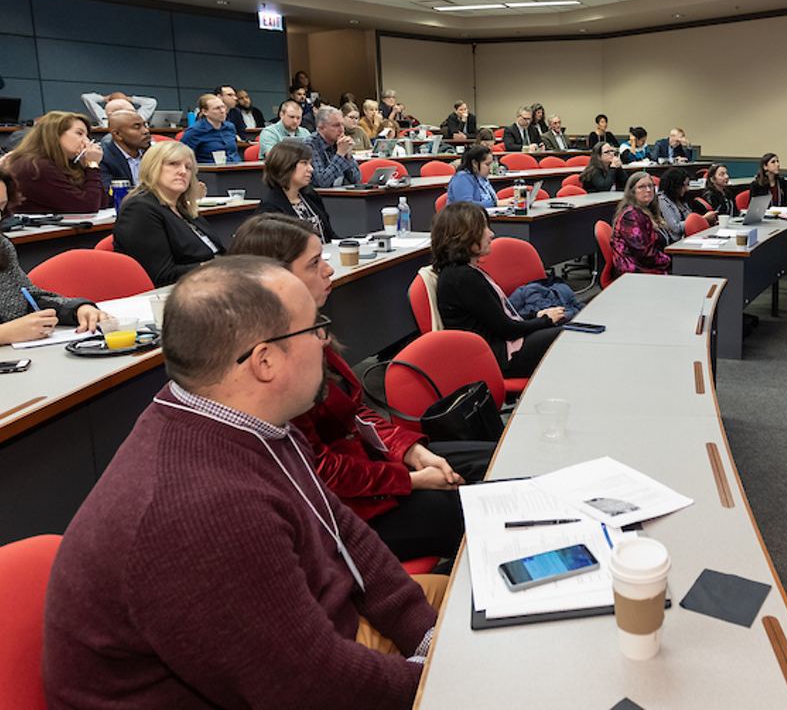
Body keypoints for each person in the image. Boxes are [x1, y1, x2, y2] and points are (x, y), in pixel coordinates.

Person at [42, 255, 441, 709]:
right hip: (300, 682)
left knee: (475, 612)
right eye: (314, 328)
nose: (325, 339)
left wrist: (425, 637)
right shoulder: (201, 509)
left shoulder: (256, 423)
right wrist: (442, 680)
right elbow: (310, 687)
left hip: (312, 647)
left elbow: (342, 532)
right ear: (265, 361)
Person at [228, 213, 494, 560]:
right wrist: (409, 479)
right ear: (275, 278)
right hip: (337, 512)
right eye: (314, 263)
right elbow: (318, 471)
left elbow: (357, 415)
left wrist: (414, 453)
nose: (328, 270)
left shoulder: (306, 328)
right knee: (475, 509)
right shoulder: (268, 363)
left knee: (492, 462)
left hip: (369, 466)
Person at [433, 201, 564, 377]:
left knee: (565, 325)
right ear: (465, 237)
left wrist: (536, 316)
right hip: (499, 357)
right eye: (484, 229)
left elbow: (497, 319)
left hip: (499, 346)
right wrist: (545, 320)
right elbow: (507, 329)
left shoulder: (462, 272)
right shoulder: (463, 278)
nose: (491, 234)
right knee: (567, 335)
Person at [0, 168, 108, 345]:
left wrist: (76, 309)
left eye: (1, 208)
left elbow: (28, 297)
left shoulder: (1, 245)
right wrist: (3, 333)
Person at [113, 141, 225, 286]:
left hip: (210, 283)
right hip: (179, 293)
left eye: (188, 167)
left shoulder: (181, 207)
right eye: (173, 164)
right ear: (152, 167)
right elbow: (161, 275)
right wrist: (216, 268)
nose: (183, 171)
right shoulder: (139, 210)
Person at [6, 111, 104, 214]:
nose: (87, 141)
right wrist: (92, 166)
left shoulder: (68, 163)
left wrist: (87, 168)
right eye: (79, 133)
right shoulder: (36, 166)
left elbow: (102, 202)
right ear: (55, 134)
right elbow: (88, 206)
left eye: (87, 135)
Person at [253, 140, 338, 243]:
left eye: (310, 163)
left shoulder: (311, 196)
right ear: (285, 165)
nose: (311, 169)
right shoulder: (270, 208)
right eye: (304, 163)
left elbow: (330, 236)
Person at [611, 171, 671, 276]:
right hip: (635, 270)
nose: (648, 190)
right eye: (642, 187)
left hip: (651, 262)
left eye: (650, 186)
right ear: (632, 192)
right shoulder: (630, 216)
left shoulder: (649, 210)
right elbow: (643, 254)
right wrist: (669, 260)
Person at [304, 107, 362, 188]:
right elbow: (321, 183)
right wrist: (340, 154)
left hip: (341, 195)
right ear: (321, 128)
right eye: (336, 125)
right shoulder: (310, 145)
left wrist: (347, 155)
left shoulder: (340, 143)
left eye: (342, 124)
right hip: (321, 197)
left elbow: (356, 180)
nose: (341, 130)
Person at [98, 109, 152, 191]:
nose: (146, 131)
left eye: (145, 126)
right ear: (117, 134)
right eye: (137, 127)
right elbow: (109, 196)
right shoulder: (103, 158)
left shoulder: (153, 154)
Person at [657, 166, 714, 242]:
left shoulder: (680, 200)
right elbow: (675, 228)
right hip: (676, 242)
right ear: (675, 185)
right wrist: (702, 219)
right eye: (685, 184)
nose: (687, 189)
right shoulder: (663, 201)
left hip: (689, 238)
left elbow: (689, 217)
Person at [180, 93, 241, 164]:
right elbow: (182, 155)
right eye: (217, 108)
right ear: (205, 111)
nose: (222, 111)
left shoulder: (230, 127)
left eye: (223, 107)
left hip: (236, 169)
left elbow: (233, 151)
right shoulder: (195, 130)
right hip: (210, 172)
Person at [446, 144, 512, 208]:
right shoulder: (462, 178)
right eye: (487, 164)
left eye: (491, 163)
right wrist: (496, 204)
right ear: (474, 163)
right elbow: (466, 206)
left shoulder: (482, 178)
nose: (491, 168)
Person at [80, 90, 156, 126]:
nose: (121, 105)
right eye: (118, 102)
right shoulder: (104, 115)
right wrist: (105, 98)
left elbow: (151, 102)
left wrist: (130, 99)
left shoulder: (137, 116)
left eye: (124, 102)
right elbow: (86, 97)